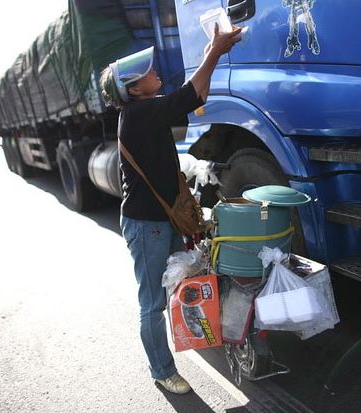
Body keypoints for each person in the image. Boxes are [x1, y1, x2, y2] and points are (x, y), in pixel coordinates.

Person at [99, 24, 242, 394]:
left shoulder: (146, 109)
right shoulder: (138, 115)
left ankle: (191, 338)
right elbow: (190, 93)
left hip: (162, 220)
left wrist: (213, 49)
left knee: (187, 282)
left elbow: (197, 94)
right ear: (133, 89)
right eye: (146, 73)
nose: (154, 72)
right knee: (152, 303)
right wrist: (215, 52)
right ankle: (162, 370)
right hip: (146, 226)